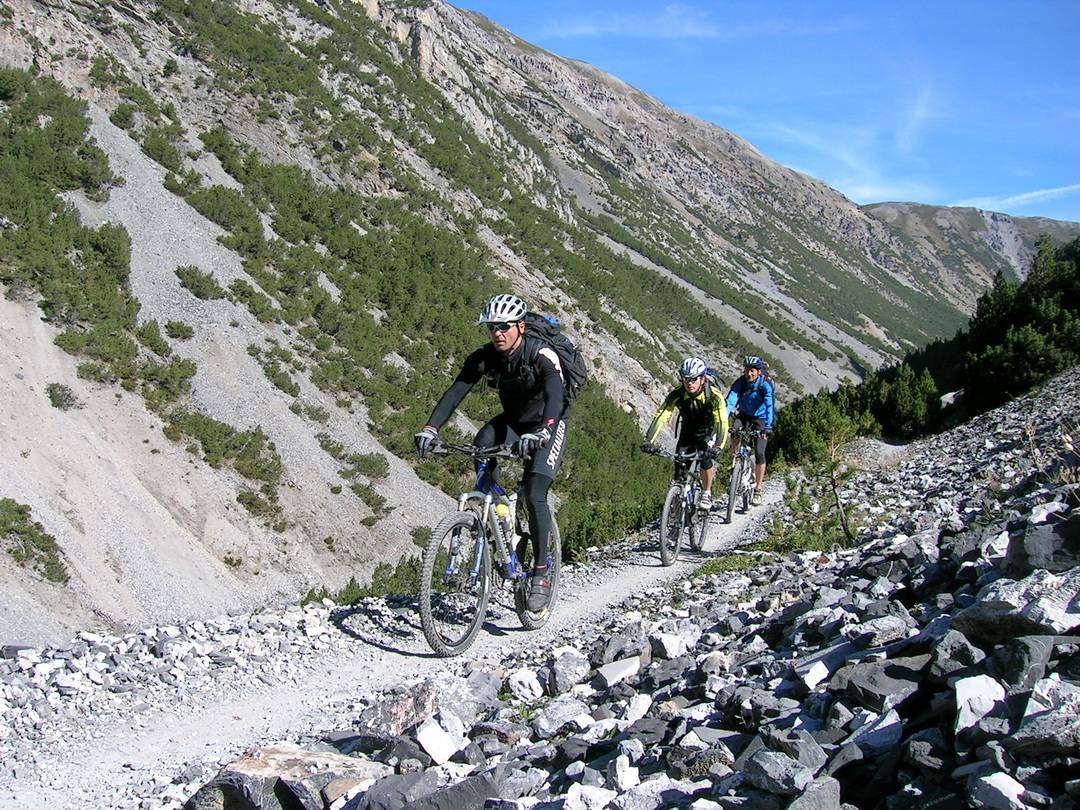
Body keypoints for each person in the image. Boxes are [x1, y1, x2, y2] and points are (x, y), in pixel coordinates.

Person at [414, 293, 568, 615]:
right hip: (513, 422)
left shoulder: (542, 355)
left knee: (535, 492)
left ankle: (541, 572)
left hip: (547, 424)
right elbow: (455, 392)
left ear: (520, 326)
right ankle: (499, 513)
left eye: (504, 326)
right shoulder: (485, 357)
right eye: (492, 327)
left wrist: (543, 431)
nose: (497, 333)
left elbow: (555, 396)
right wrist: (431, 428)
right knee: (481, 441)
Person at [641, 357, 728, 511]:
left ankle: (707, 492)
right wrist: (649, 440)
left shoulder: (714, 396)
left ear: (702, 379)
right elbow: (662, 415)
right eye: (685, 379)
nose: (689, 383)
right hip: (688, 431)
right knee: (680, 467)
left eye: (693, 379)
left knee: (706, 458)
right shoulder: (678, 394)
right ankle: (675, 509)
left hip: (708, 431)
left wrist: (719, 445)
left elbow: (721, 421)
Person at [725, 355, 775, 505]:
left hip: (761, 418)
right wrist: (723, 418)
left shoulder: (765, 385)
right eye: (747, 370)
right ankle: (735, 462)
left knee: (760, 452)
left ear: (759, 372)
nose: (749, 374)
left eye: (752, 371)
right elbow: (730, 401)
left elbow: (769, 406)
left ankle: (758, 489)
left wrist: (768, 427)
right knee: (735, 431)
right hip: (744, 415)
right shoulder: (740, 382)